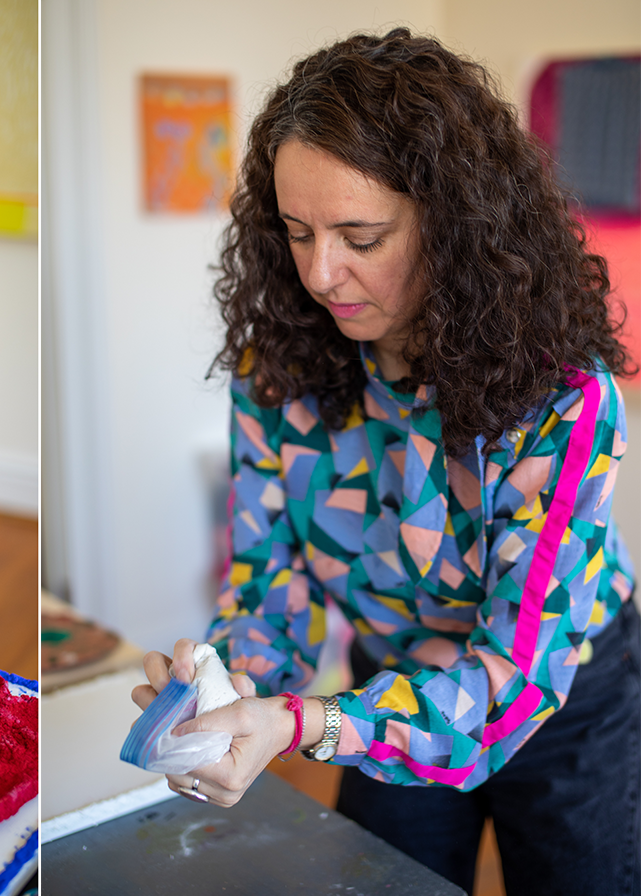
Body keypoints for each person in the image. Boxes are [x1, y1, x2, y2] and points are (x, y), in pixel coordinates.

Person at [133, 28, 639, 895]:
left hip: (563, 709)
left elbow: (510, 682)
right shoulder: (277, 372)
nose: (321, 274)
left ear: (454, 226)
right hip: (389, 691)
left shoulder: (563, 401)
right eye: (297, 233)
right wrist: (226, 687)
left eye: (360, 238)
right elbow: (271, 582)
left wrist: (301, 724)